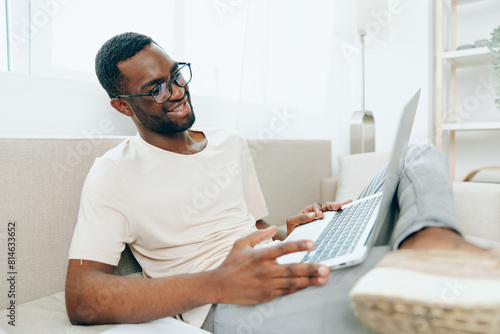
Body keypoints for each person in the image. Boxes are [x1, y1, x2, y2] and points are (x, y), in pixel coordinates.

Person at [65, 32, 499, 334]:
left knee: (416, 152)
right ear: (122, 106)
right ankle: (439, 268)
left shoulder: (229, 143)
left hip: (274, 261)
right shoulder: (114, 171)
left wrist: (290, 232)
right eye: (155, 88)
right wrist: (218, 283)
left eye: (177, 75)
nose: (176, 91)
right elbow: (83, 299)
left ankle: (435, 242)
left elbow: (253, 231)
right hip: (224, 303)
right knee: (394, 274)